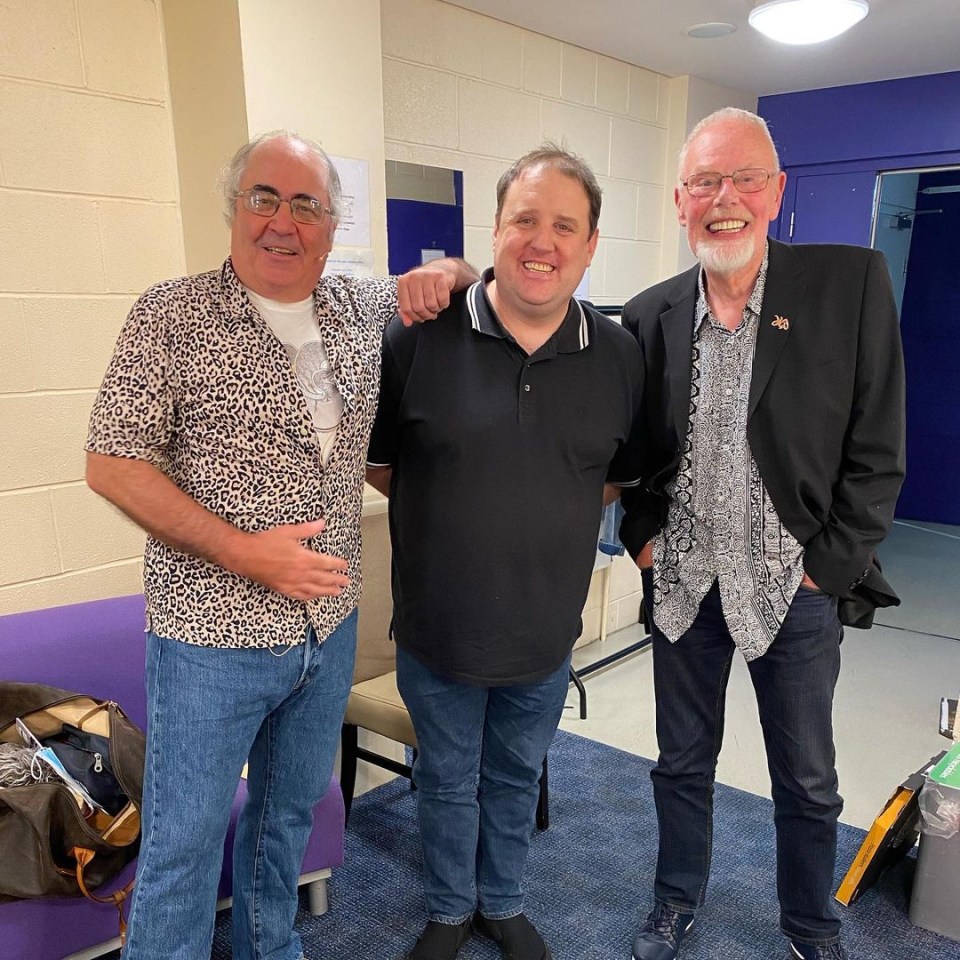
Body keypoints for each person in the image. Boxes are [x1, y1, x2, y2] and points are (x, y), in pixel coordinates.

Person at [85, 131, 477, 960]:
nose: (283, 221)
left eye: (307, 205)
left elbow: (457, 282)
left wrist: (449, 271)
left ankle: (274, 948)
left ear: (332, 226)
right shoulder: (173, 314)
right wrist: (242, 551)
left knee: (284, 820)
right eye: (264, 197)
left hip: (324, 633)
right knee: (182, 849)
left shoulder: (359, 309)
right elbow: (112, 462)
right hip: (209, 639)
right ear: (234, 208)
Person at [619, 107, 905, 960]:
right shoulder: (648, 314)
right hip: (685, 584)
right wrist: (641, 538)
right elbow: (628, 454)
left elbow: (878, 442)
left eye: (745, 178)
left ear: (777, 191)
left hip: (796, 584)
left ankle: (810, 924)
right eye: (705, 182)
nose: (725, 198)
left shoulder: (849, 285)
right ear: (680, 201)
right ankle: (674, 903)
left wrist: (831, 566)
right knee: (680, 765)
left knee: (808, 781)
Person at [366, 145, 644, 960]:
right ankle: (450, 911)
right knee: (446, 781)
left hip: (543, 632)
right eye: (525, 219)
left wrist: (533, 511)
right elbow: (383, 465)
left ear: (591, 245)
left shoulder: (621, 355)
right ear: (495, 230)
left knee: (514, 779)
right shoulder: (417, 337)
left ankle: (504, 902)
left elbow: (610, 477)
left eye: (565, 225)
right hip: (438, 628)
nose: (542, 241)